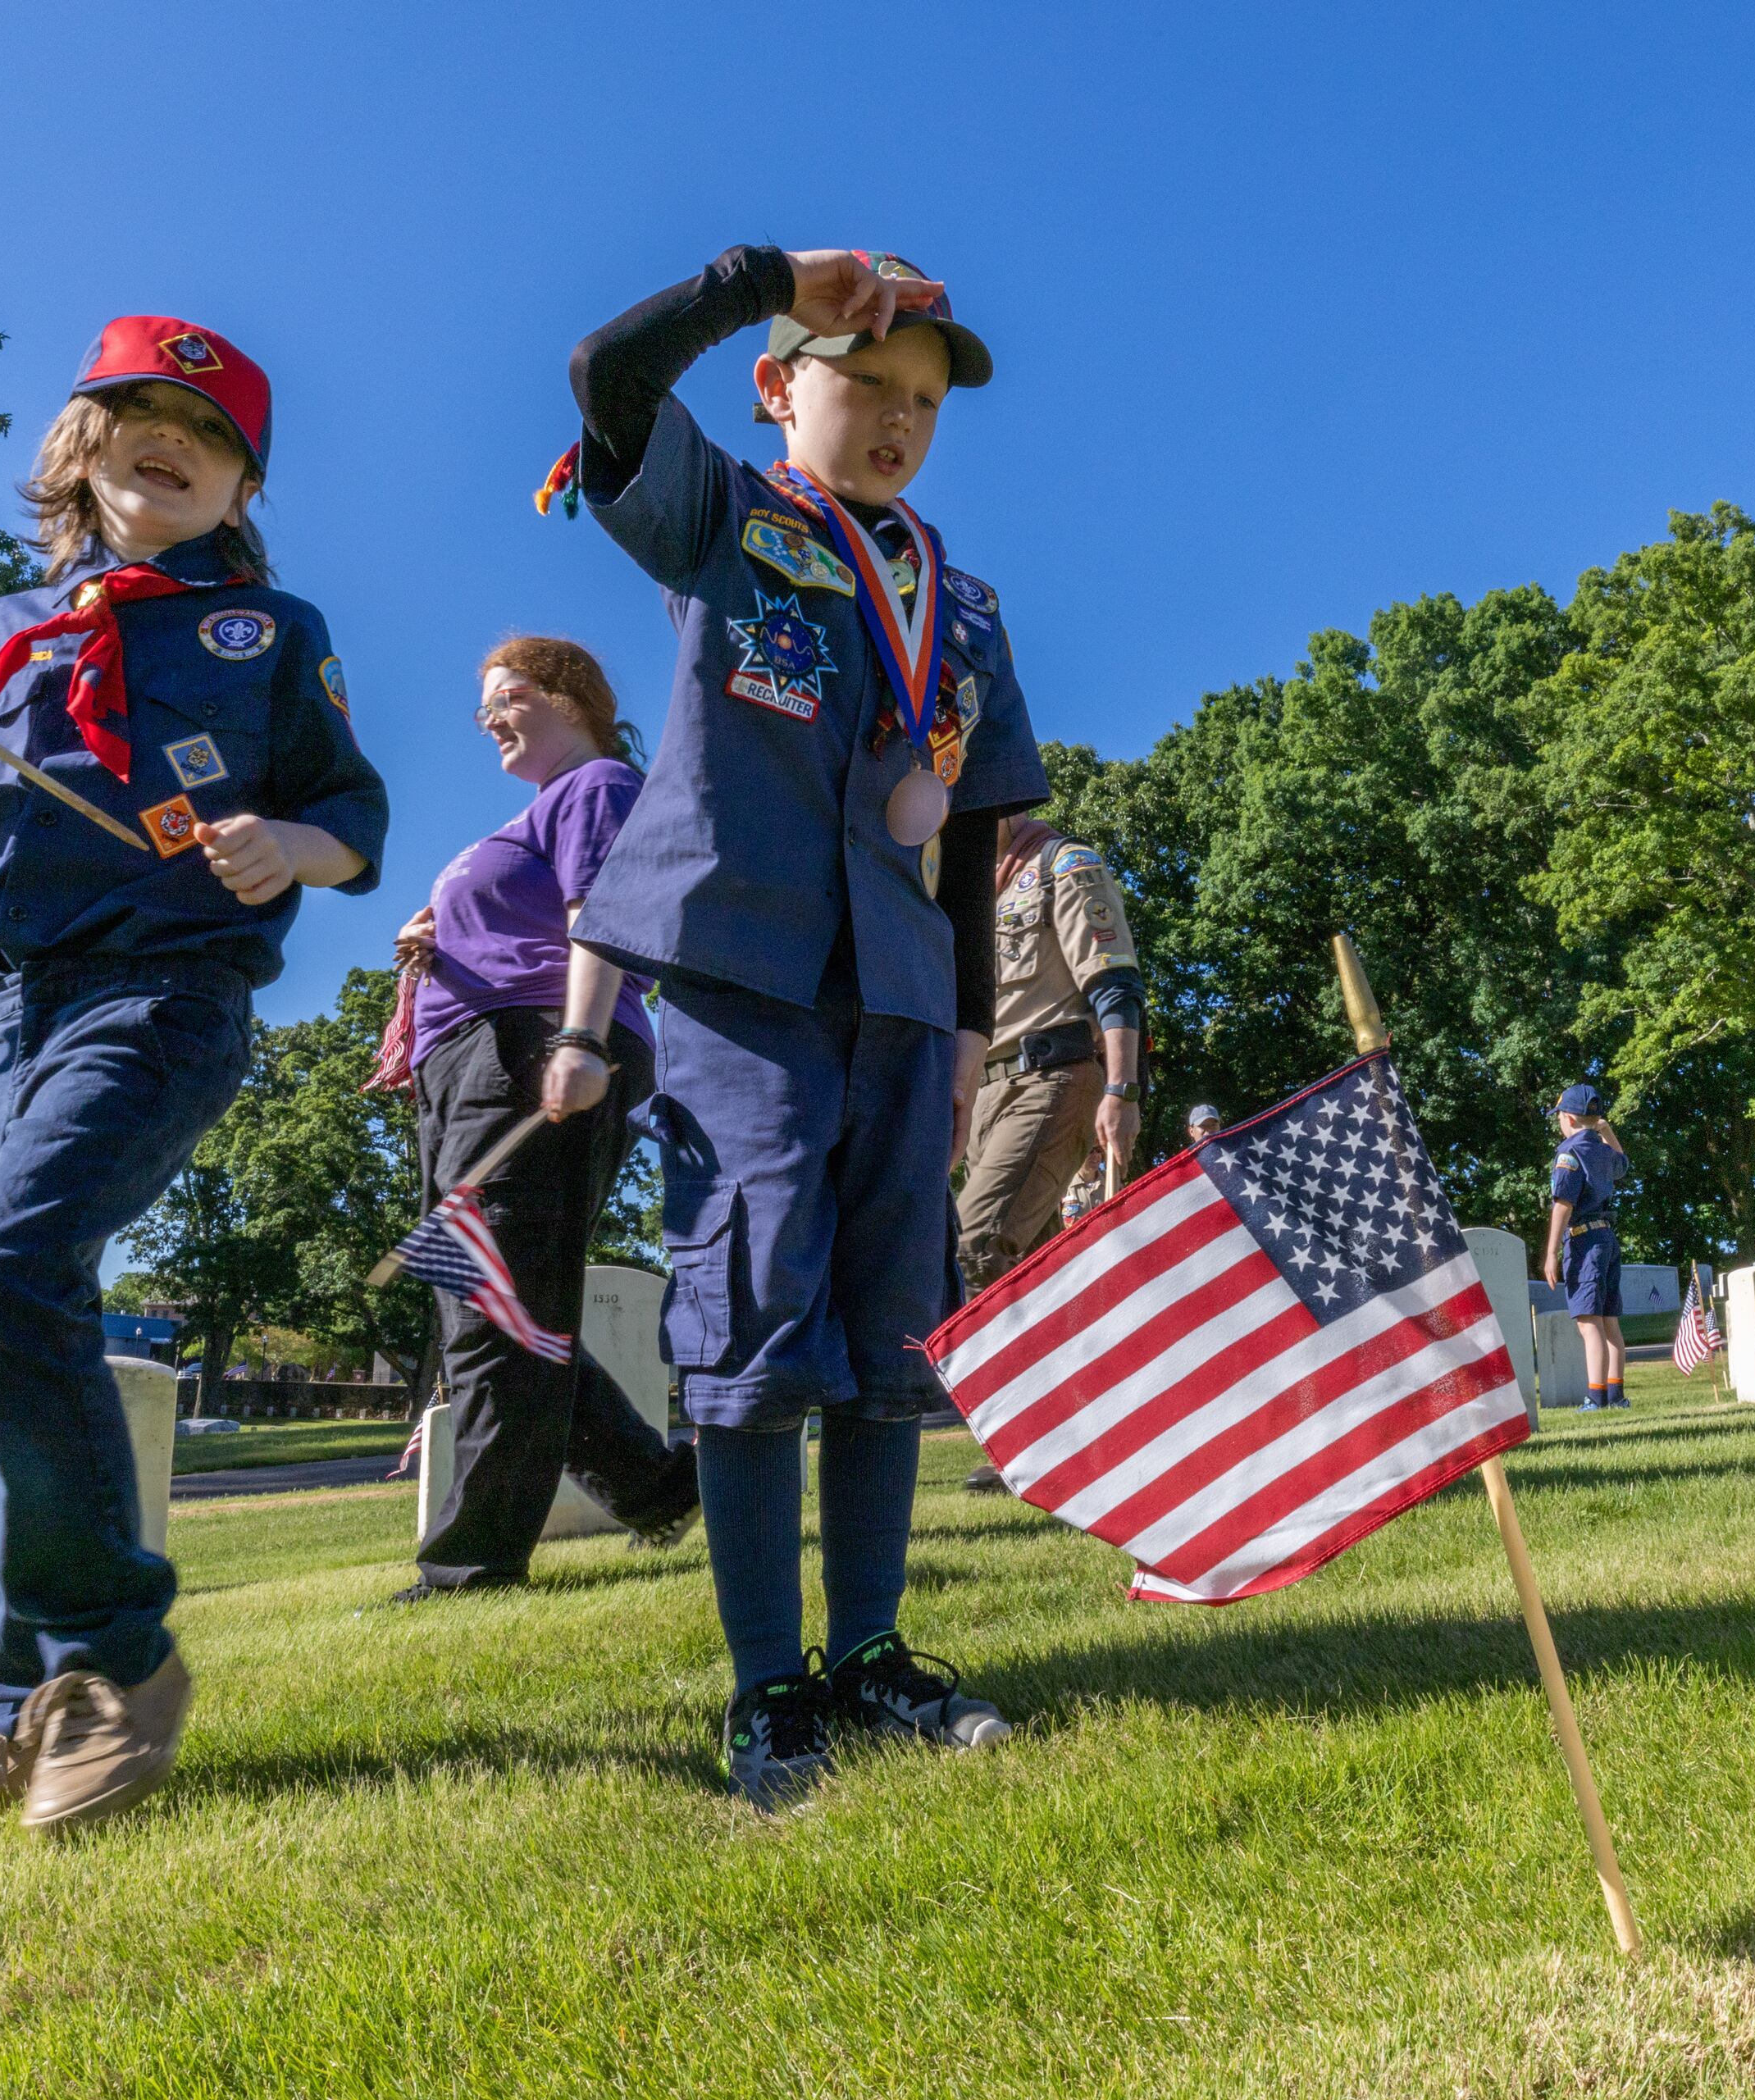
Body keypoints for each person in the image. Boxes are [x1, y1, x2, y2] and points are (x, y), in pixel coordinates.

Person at [0, 317, 387, 1838]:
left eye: (207, 433)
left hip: (167, 990)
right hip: (11, 1009)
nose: (171, 441)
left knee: (4, 1276)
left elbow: (350, 811)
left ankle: (115, 1663)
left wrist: (293, 845)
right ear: (78, 445)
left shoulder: (267, 630)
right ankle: (23, 1714)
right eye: (137, 412)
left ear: (240, 484)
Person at [558, 243, 1049, 1806]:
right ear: (782, 388)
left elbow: (973, 847)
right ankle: (770, 1682)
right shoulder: (735, 524)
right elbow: (607, 383)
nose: (899, 419)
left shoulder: (962, 608)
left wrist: (971, 1031)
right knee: (760, 1315)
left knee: (895, 1328)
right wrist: (770, 277)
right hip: (743, 987)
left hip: (904, 1006)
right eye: (865, 381)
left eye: (923, 401)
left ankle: (874, 1650)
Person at [390, 637, 700, 1596]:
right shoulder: (529, 812)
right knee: (488, 1298)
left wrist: (581, 1039)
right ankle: (659, 1487)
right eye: (482, 706)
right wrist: (436, 936)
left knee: (499, 1306)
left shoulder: (597, 783)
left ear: (572, 697)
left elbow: (604, 914)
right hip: (474, 1060)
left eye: (508, 696)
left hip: (534, 1049)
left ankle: (471, 1565)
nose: (489, 718)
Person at [954, 817, 1142, 1492]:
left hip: (1056, 1074)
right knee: (1024, 1275)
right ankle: (1071, 1440)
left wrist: (1122, 1087)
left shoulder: (1065, 863)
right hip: (984, 1093)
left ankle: (1027, 1440)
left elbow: (1115, 981)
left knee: (973, 1241)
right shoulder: (966, 880)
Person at [1541, 1082, 1631, 1412]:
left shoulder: (1570, 1153)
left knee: (1588, 1322)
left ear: (1569, 1118)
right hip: (1607, 1237)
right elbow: (1624, 1165)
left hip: (1583, 1239)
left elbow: (1563, 1203)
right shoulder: (1603, 1151)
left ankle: (1596, 1398)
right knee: (1609, 1321)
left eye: (1559, 1117)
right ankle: (1616, 1396)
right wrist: (1606, 1130)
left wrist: (1552, 1252)